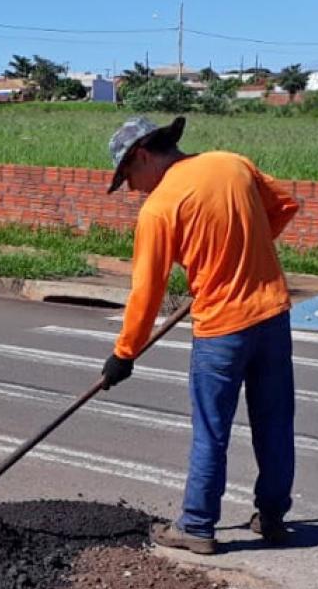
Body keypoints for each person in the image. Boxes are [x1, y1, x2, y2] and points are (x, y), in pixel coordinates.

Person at [100, 115, 301, 553]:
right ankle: (273, 519)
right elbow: (285, 205)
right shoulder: (231, 164)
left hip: (222, 330)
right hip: (272, 316)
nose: (134, 189)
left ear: (143, 155)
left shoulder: (159, 207)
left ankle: (196, 525)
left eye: (130, 177)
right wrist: (240, 255)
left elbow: (146, 292)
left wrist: (124, 353)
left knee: (212, 429)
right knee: (275, 422)